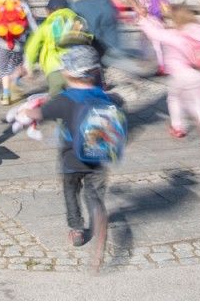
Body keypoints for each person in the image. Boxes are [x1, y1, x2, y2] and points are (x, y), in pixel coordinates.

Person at [25, 45, 126, 272]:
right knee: (94, 195)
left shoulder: (66, 99)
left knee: (71, 192)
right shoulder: (104, 96)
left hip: (71, 159)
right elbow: (119, 107)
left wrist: (27, 111)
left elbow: (39, 114)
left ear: (68, 73)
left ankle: (78, 229)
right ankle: (98, 215)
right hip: (99, 157)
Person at [137, 4, 200, 150]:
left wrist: (144, 19)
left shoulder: (177, 34)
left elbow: (156, 34)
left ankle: (178, 127)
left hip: (181, 74)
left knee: (174, 98)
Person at [24, 0, 93, 96]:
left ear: (48, 11)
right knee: (80, 98)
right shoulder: (78, 22)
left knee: (56, 99)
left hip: (54, 69)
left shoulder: (46, 25)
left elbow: (32, 47)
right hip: (78, 67)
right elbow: (89, 40)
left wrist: (29, 67)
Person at [134, 0, 170, 75]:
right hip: (158, 19)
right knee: (158, 44)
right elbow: (166, 5)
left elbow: (140, 5)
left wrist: (137, 17)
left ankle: (144, 59)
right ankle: (162, 65)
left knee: (143, 40)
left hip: (147, 19)